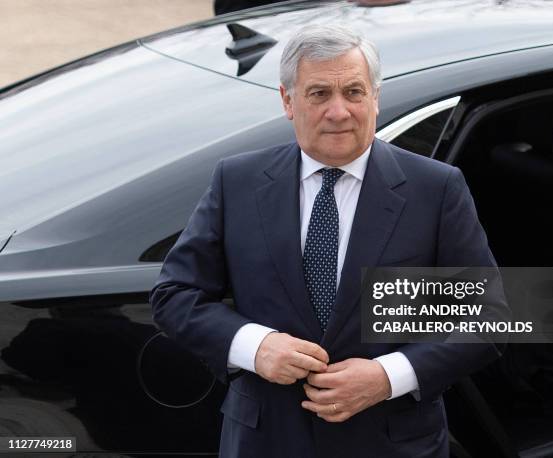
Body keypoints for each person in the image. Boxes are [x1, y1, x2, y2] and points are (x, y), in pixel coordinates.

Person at [150, 25, 507, 458]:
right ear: (287, 100)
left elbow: (487, 318)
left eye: (354, 92)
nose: (339, 111)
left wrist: (387, 377)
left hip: (390, 444)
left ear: (375, 97)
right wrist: (255, 346)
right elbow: (175, 295)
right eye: (319, 93)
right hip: (265, 442)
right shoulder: (237, 182)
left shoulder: (435, 189)